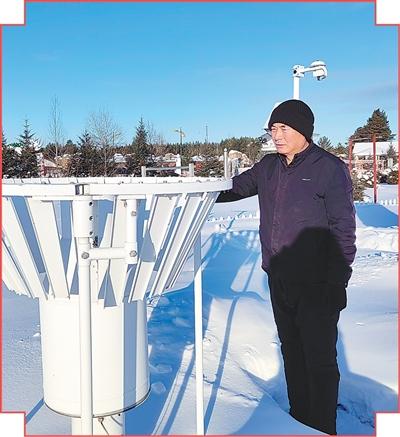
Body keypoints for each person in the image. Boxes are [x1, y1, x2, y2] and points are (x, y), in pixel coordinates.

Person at [216, 99, 356, 435]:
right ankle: (299, 419)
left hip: (317, 284)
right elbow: (234, 189)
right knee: (291, 350)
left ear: (304, 130)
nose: (276, 135)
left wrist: (337, 282)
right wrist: (196, 190)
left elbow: (343, 228)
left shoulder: (329, 168)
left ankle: (323, 427)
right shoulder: (268, 167)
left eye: (284, 128)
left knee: (319, 359)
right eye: (273, 129)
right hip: (279, 277)